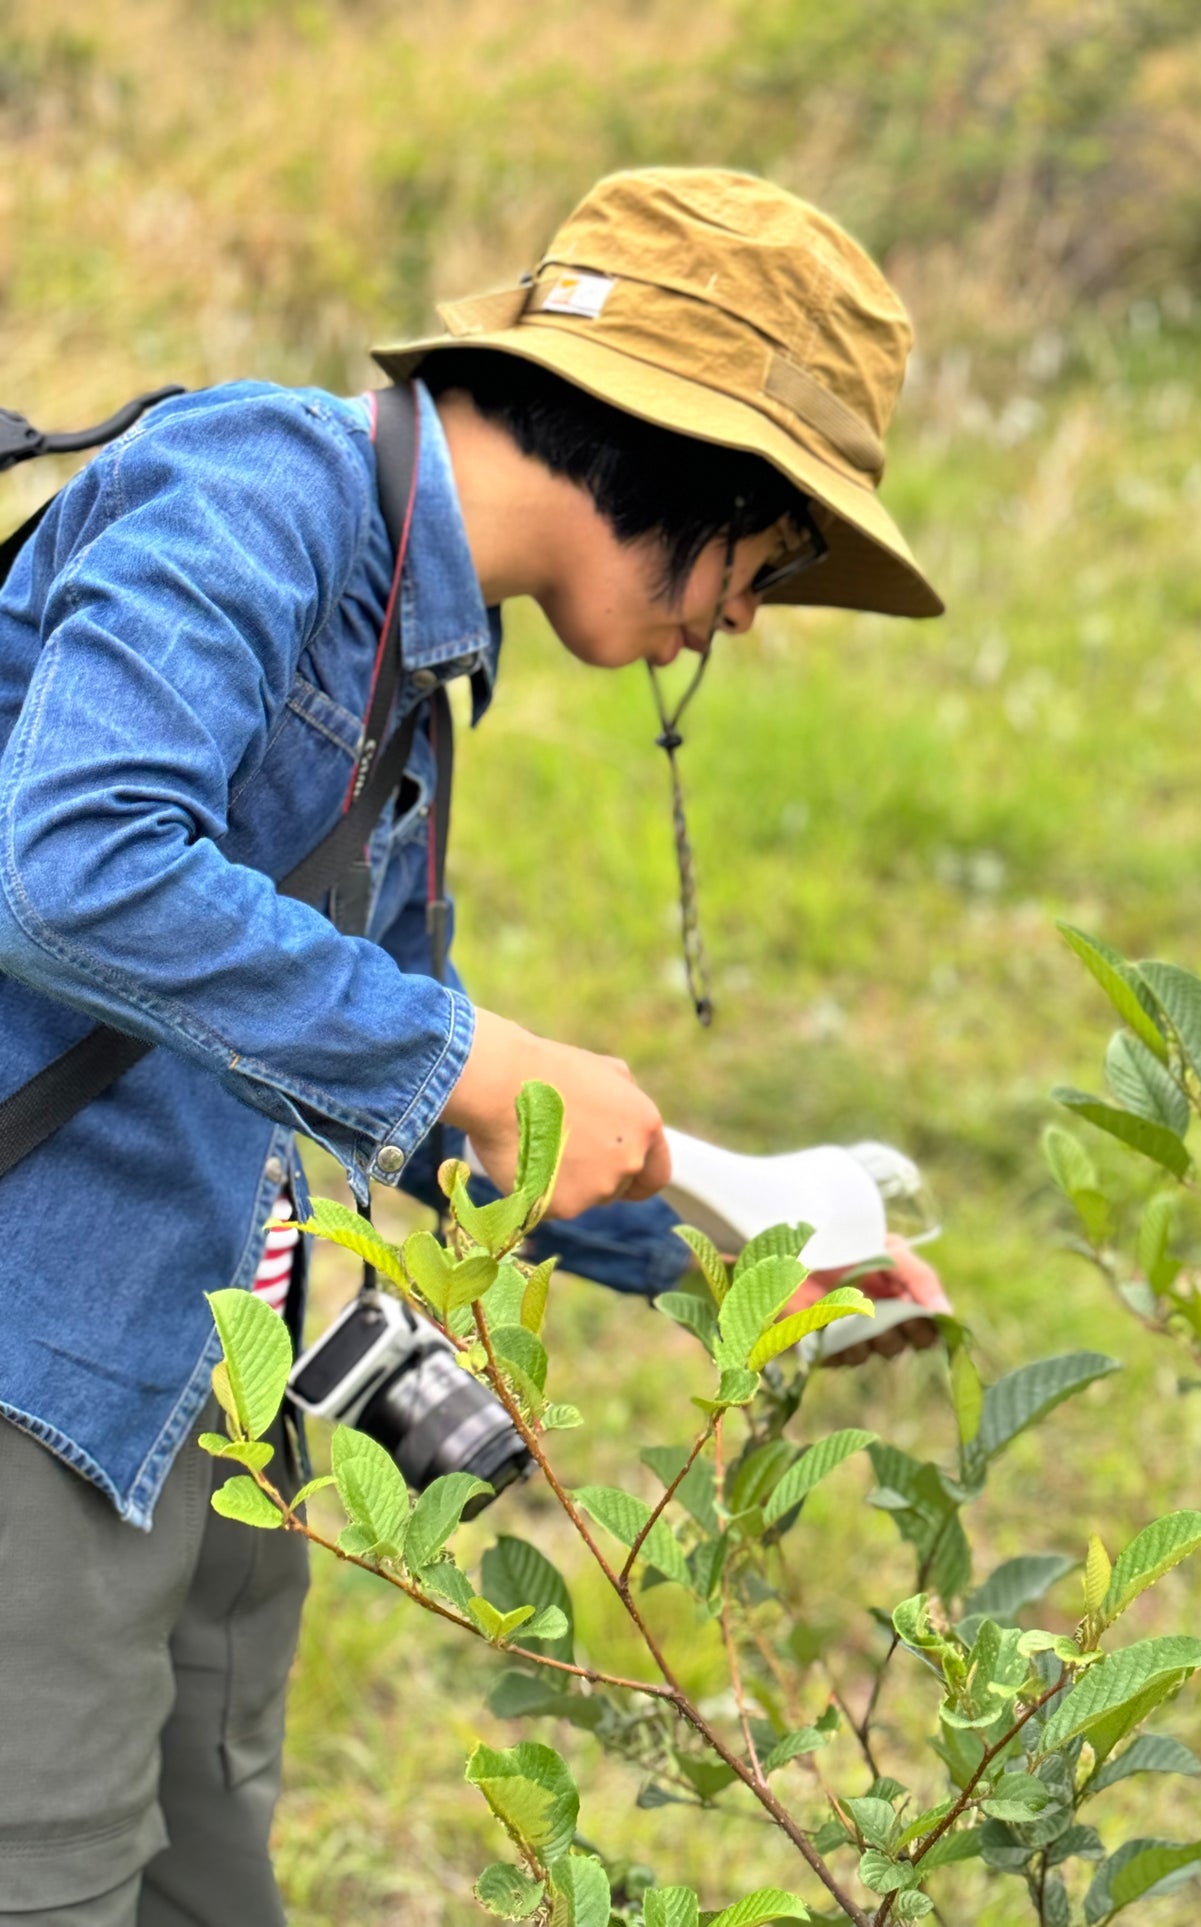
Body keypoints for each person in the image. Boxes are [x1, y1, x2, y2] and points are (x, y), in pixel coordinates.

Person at [0, 169, 945, 1924]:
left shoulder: (417, 654)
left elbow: (366, 1066)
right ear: (696, 461)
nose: (745, 611)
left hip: (210, 1351)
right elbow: (70, 865)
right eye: (780, 546)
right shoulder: (253, 493)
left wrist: (713, 1242)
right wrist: (485, 1057)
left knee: (207, 1859)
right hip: (36, 1352)